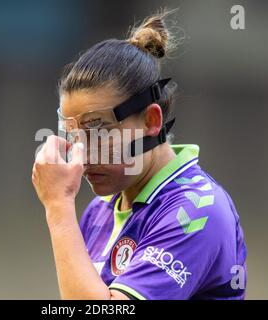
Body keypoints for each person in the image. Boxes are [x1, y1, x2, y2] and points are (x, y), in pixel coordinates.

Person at [32, 9, 247, 300]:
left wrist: (58, 206)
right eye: (74, 134)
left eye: (99, 130)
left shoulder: (197, 211)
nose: (82, 155)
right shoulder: (99, 211)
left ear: (151, 121)